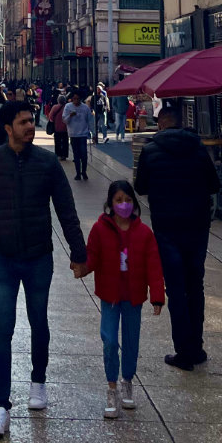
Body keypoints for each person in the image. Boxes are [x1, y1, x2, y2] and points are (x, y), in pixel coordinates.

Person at [0, 100, 87, 441]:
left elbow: (66, 208)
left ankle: (38, 382)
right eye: (22, 122)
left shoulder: (47, 163)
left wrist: (79, 251)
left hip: (38, 256)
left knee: (39, 320)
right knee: (2, 328)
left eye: (30, 121)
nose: (29, 126)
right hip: (2, 258)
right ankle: (0, 405)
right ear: (8, 128)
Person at [133, 100, 219, 370]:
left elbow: (140, 187)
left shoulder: (150, 150)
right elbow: (214, 184)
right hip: (197, 224)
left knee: (176, 288)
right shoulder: (198, 148)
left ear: (160, 124)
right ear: (180, 124)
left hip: (167, 226)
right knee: (195, 285)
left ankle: (183, 350)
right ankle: (197, 347)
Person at [75, 179, 164, 418]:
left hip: (134, 297)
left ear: (134, 203)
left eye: (127, 200)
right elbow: (92, 256)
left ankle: (127, 381)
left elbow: (154, 266)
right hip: (110, 295)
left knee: (131, 341)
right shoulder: (100, 229)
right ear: (110, 203)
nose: (123, 204)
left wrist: (157, 296)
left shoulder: (144, 233)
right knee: (110, 340)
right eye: (118, 200)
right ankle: (112, 387)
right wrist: (82, 267)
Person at [62, 90, 94, 180]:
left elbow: (90, 121)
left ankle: (84, 171)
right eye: (74, 99)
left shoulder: (85, 108)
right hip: (73, 134)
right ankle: (78, 173)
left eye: (78, 99)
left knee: (84, 154)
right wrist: (70, 116)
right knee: (76, 155)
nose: (76, 101)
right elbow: (64, 120)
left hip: (83, 134)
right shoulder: (68, 107)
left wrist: (93, 133)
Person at [47, 92, 69, 163]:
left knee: (57, 141)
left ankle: (58, 154)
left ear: (58, 100)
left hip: (57, 127)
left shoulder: (55, 107)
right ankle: (64, 155)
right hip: (66, 128)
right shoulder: (67, 107)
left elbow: (50, 116)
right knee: (65, 141)